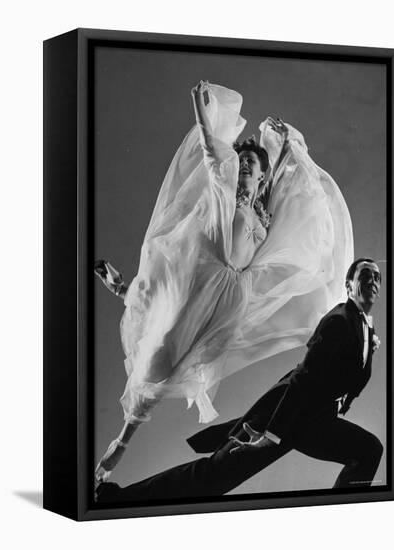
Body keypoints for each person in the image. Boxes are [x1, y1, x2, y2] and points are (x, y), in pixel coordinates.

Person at [94, 81, 353, 482]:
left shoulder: (265, 216)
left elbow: (286, 184)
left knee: (173, 352)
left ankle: (262, 418)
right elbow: (213, 153)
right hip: (206, 278)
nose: (244, 167)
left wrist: (285, 144)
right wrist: (201, 110)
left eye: (252, 166)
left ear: (261, 179)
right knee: (159, 353)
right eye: (243, 163)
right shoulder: (222, 195)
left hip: (233, 298)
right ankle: (123, 439)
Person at [96, 259, 383, 502]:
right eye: (365, 276)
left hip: (315, 422)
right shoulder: (338, 321)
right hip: (281, 417)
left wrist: (362, 357)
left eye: (376, 278)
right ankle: (115, 499)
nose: (372, 281)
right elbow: (302, 382)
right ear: (349, 285)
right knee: (213, 477)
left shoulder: (363, 330)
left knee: (368, 450)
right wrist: (268, 436)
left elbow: (348, 378)